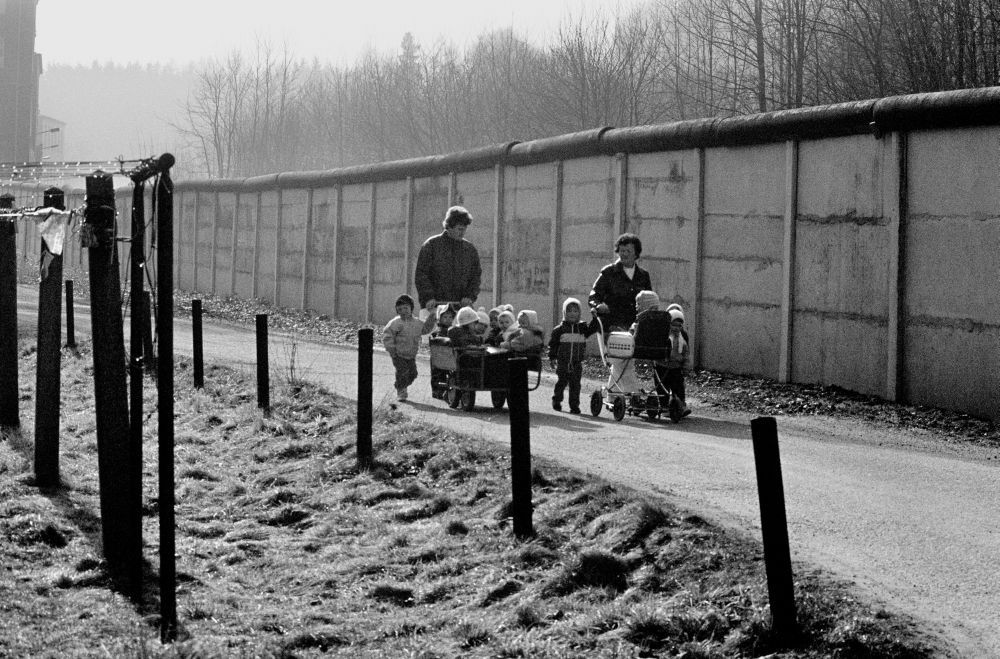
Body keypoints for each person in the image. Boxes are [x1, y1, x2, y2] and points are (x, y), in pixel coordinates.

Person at [414, 205, 482, 313]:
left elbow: (475, 277)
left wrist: (469, 296)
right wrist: (428, 297)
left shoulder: (469, 249)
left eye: (465, 229)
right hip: (434, 306)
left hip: (460, 307)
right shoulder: (431, 245)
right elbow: (422, 275)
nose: (463, 232)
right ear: (449, 226)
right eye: (459, 229)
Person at [589, 233, 652, 332]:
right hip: (612, 326)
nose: (625, 254)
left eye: (628, 251)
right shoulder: (608, 272)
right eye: (622, 251)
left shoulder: (643, 275)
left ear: (636, 254)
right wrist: (598, 306)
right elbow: (594, 296)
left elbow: (649, 300)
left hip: (636, 327)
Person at [548, 297, 594, 414]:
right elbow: (553, 345)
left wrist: (595, 316)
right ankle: (557, 400)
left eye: (575, 311)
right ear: (564, 313)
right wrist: (552, 358)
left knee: (575, 385)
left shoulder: (582, 328)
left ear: (579, 313)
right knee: (561, 382)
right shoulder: (559, 330)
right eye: (569, 311)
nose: (572, 314)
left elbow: (594, 328)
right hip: (563, 362)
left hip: (576, 362)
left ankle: (574, 406)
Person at [381, 294, 425, 402]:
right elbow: (387, 336)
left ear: (411, 308)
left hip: (411, 354)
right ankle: (401, 390)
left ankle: (400, 384)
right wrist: (392, 350)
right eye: (400, 309)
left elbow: (426, 329)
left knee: (413, 374)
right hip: (398, 354)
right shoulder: (395, 323)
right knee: (403, 371)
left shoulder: (417, 323)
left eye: (406, 308)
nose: (403, 311)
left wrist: (433, 319)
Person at [663, 305, 691, 416]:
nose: (676, 328)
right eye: (673, 325)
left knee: (678, 387)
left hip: (676, 366)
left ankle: (681, 406)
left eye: (679, 326)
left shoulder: (682, 338)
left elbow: (686, 353)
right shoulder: (664, 335)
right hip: (663, 365)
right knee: (663, 386)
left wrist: (685, 366)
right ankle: (665, 406)